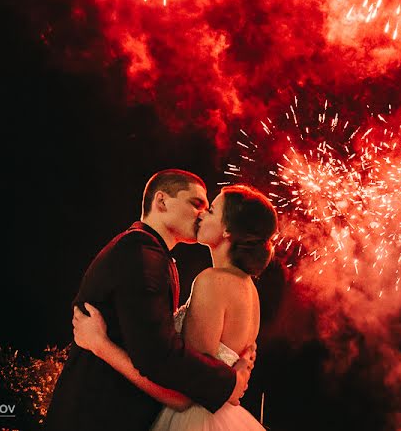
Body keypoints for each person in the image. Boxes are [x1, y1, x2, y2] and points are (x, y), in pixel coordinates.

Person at [45, 170, 251, 431]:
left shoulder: (151, 254)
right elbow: (158, 356)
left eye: (207, 207)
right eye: (195, 203)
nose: (202, 213)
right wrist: (229, 382)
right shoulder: (141, 255)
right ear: (162, 202)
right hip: (97, 416)